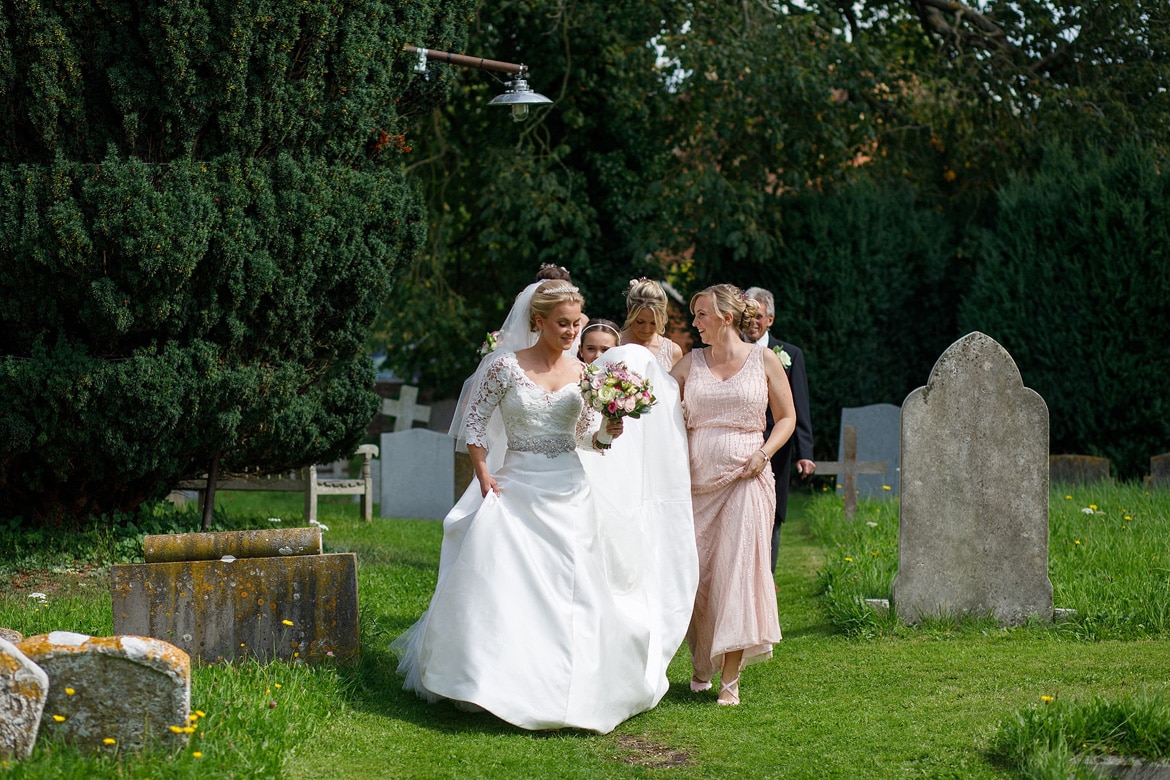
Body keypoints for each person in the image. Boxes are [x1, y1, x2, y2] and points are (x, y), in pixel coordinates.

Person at [392, 280, 695, 734]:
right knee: (505, 586)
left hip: (569, 489)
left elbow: (590, 439)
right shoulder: (504, 367)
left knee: (570, 590)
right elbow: (474, 425)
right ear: (538, 322)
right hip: (514, 487)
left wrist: (612, 428)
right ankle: (491, 680)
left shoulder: (585, 374)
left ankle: (568, 684)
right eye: (563, 324)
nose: (572, 331)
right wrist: (483, 474)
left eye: (576, 323)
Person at [670, 284, 796, 706]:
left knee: (737, 572)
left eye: (701, 314)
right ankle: (701, 663)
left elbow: (787, 418)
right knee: (699, 576)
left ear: (725, 316)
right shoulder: (689, 364)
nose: (695, 323)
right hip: (695, 486)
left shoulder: (764, 360)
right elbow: (654, 417)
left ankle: (730, 679)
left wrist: (765, 453)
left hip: (747, 477)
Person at [743, 286, 816, 574]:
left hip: (777, 446)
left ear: (769, 319)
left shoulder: (790, 355)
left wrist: (805, 452)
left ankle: (766, 576)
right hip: (739, 442)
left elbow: (798, 406)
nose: (752, 322)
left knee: (773, 512)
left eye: (758, 316)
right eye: (747, 316)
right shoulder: (726, 351)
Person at [620, 279, 683, 371]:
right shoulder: (613, 343)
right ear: (629, 312)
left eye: (654, 323)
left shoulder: (673, 352)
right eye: (640, 322)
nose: (646, 329)